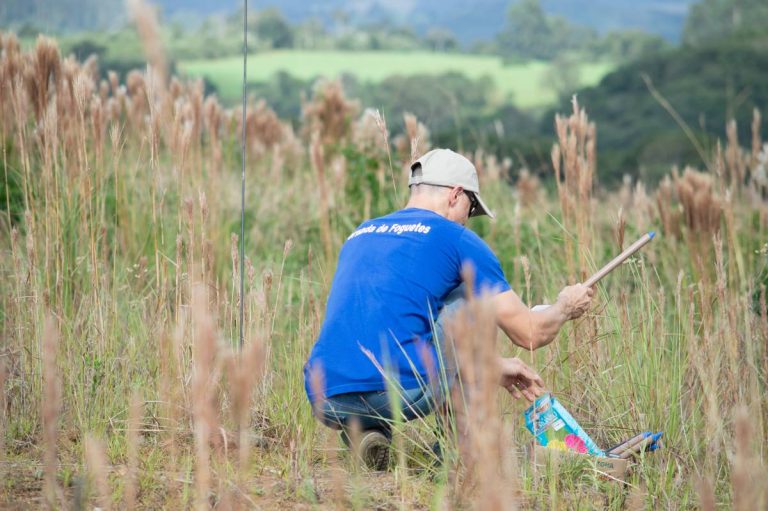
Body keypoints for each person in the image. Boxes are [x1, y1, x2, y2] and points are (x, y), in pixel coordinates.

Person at [303, 148, 594, 469]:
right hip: (398, 392)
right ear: (456, 195)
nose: (468, 219)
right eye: (472, 207)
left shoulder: (360, 233)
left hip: (324, 395)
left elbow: (383, 322)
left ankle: (365, 433)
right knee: (468, 293)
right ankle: (458, 453)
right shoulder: (456, 239)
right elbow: (530, 333)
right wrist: (565, 305)